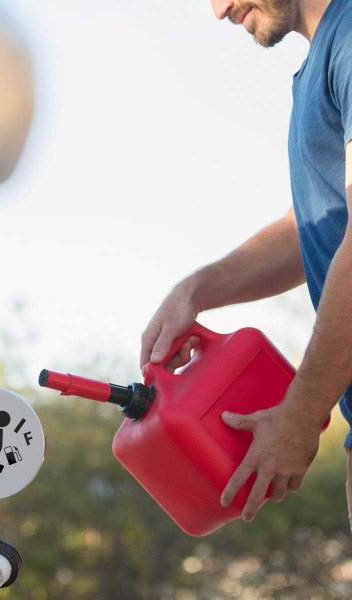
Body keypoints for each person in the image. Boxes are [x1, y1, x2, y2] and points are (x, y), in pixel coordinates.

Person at [140, 0, 352, 525]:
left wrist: (303, 412)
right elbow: (313, 223)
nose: (217, 11)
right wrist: (199, 288)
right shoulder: (317, 69)